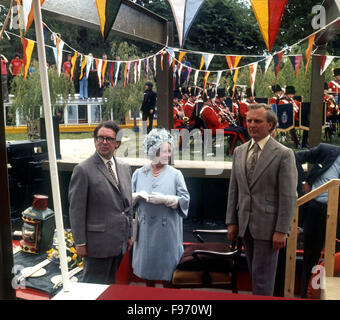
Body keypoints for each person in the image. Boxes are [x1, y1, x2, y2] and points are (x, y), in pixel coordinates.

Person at [226, 103, 297, 296]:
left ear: (271, 125)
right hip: (244, 225)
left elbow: (288, 196)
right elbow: (234, 189)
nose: (251, 125)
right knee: (254, 274)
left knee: (263, 279)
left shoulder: (283, 154)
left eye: (257, 121)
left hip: (269, 228)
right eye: (249, 120)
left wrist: (281, 230)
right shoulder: (240, 151)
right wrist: (231, 221)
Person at [68, 121, 133, 284]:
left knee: (113, 288)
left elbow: (128, 205)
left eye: (109, 139)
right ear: (94, 141)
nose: (104, 142)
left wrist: (130, 234)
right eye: (100, 138)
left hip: (120, 244)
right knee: (93, 288)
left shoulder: (125, 168)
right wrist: (80, 243)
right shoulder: (83, 170)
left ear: (117, 143)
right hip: (97, 246)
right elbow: (76, 211)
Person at [131, 128, 190, 287]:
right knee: (148, 271)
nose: (168, 155)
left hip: (167, 230)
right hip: (145, 231)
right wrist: (135, 196)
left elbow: (185, 200)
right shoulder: (139, 173)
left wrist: (167, 199)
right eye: (165, 151)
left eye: (170, 151)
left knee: (168, 272)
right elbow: (127, 201)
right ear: (153, 150)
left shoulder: (175, 174)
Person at [295, 143, 340, 298]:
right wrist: (302, 183)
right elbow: (293, 158)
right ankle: (305, 295)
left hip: (338, 215)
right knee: (310, 258)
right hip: (317, 211)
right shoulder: (327, 150)